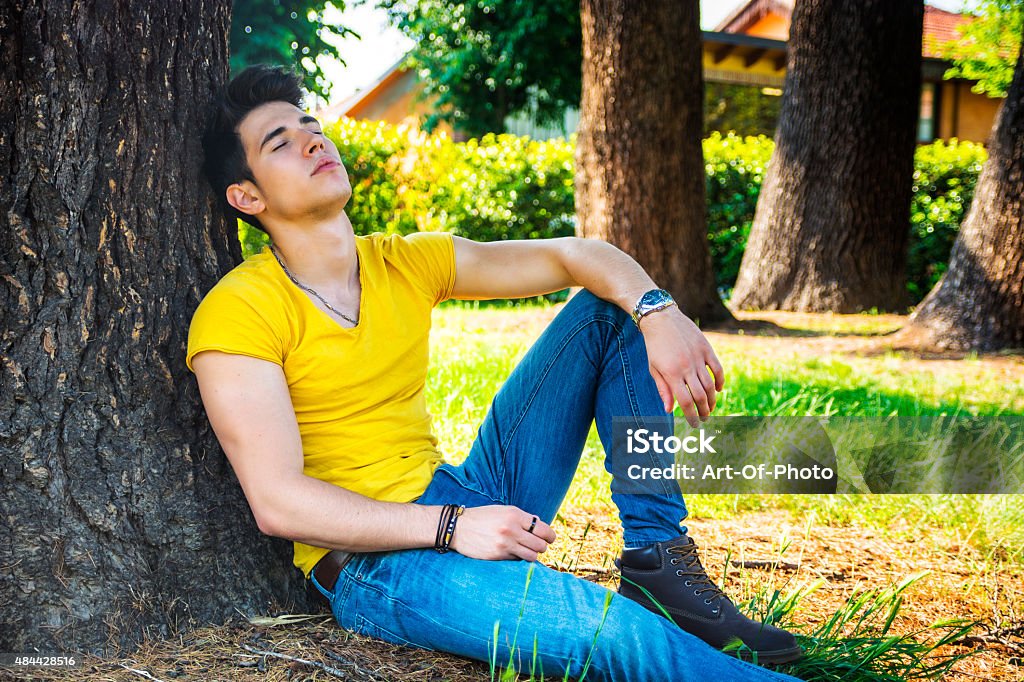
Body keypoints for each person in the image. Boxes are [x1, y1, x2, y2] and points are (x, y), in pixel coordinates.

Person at [188, 64, 803, 682]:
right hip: (377, 563)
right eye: (280, 142)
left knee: (605, 312)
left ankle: (659, 559)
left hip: (465, 494)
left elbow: (573, 255)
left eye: (310, 126)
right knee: (611, 632)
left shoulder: (403, 262)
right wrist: (452, 527)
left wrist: (657, 309)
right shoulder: (240, 310)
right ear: (247, 197)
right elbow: (278, 503)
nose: (313, 141)